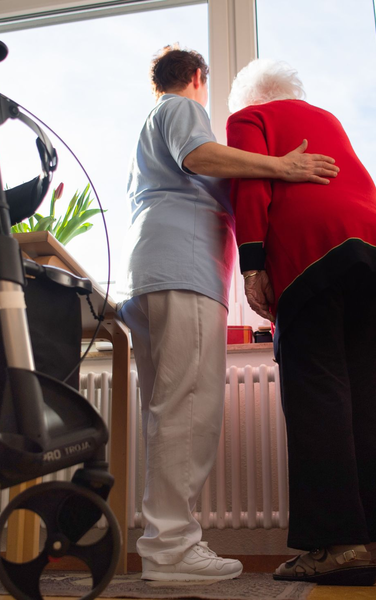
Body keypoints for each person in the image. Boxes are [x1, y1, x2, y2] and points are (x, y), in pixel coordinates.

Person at [117, 46, 339, 583]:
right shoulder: (181, 108)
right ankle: (171, 550)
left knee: (169, 411)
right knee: (190, 409)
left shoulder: (150, 128)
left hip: (151, 272)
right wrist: (282, 166)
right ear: (197, 77)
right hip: (182, 270)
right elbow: (201, 157)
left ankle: (164, 544)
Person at [226, 59, 376, 586]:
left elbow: (251, 186)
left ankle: (338, 548)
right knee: (371, 393)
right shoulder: (327, 119)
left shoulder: (250, 120)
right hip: (375, 250)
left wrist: (252, 266)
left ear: (247, 97)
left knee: (318, 394)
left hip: (312, 253)